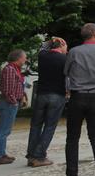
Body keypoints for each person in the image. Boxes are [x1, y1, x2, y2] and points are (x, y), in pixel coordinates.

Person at [64, 23, 95, 176]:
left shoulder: (74, 52)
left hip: (77, 96)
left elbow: (67, 72)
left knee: (72, 137)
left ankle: (72, 171)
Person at [26, 37, 68, 167]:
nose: (67, 49)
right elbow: (69, 77)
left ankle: (31, 154)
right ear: (62, 45)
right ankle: (39, 156)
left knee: (36, 125)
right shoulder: (65, 60)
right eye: (66, 46)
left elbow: (43, 46)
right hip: (57, 95)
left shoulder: (43, 56)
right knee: (49, 126)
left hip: (42, 94)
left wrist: (52, 39)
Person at [0, 49, 28, 166]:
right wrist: (14, 102)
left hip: (11, 103)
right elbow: (7, 91)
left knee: (5, 130)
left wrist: (22, 97)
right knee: (3, 130)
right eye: (24, 57)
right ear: (18, 58)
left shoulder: (14, 69)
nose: (25, 60)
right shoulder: (10, 70)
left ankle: (1, 153)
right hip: (9, 104)